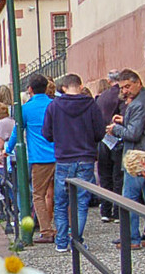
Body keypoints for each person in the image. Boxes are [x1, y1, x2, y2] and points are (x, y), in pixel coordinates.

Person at [42, 73, 106, 253]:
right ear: (80, 85)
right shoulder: (91, 104)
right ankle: (76, 240)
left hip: (64, 158)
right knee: (81, 202)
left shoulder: (54, 106)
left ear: (63, 87)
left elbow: (47, 134)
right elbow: (100, 132)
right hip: (85, 157)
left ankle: (61, 241)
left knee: (61, 201)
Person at [109, 70, 145, 249]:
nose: (125, 91)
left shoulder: (138, 104)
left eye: (127, 86)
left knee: (129, 199)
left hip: (136, 157)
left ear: (138, 82)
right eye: (122, 88)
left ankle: (132, 238)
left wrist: (116, 130)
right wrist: (124, 121)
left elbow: (133, 133)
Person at [14, 74, 56, 244]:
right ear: (46, 87)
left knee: (38, 194)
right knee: (60, 194)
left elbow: (17, 132)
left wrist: (8, 149)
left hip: (39, 158)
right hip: (59, 154)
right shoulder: (54, 105)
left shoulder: (25, 109)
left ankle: (46, 231)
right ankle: (65, 228)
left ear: (30, 89)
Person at [94, 71, 124, 222]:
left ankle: (105, 210)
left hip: (103, 139)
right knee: (118, 176)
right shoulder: (122, 95)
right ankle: (118, 211)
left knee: (105, 176)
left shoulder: (102, 97)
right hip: (118, 138)